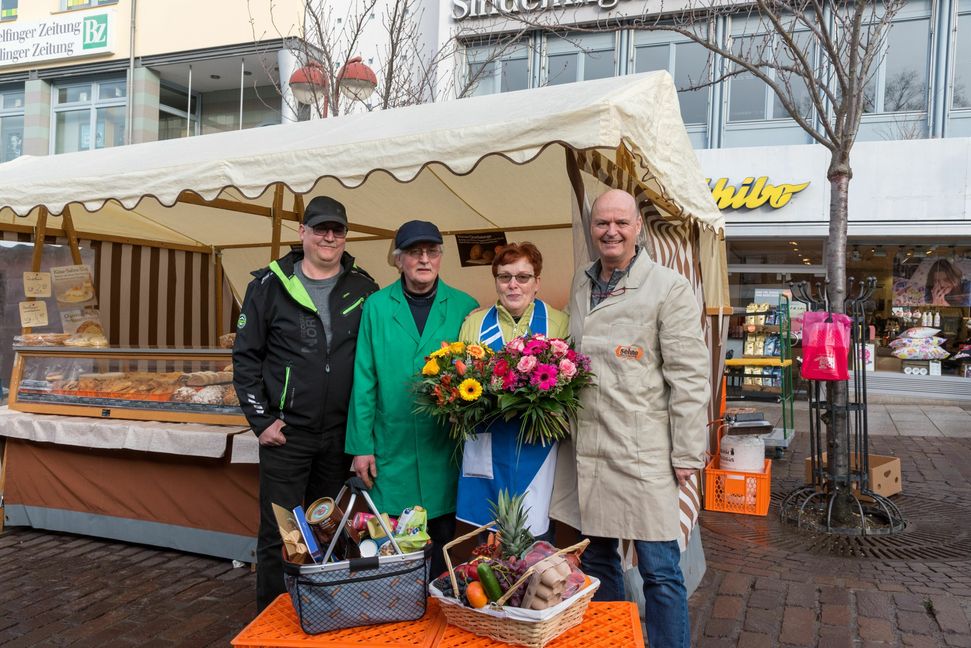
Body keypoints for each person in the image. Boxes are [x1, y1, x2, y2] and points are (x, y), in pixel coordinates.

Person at [549, 189, 709, 648]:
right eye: (602, 223)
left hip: (644, 451)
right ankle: (613, 640)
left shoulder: (668, 287)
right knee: (598, 559)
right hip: (589, 447)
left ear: (638, 227)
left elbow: (690, 377)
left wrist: (687, 453)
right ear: (592, 229)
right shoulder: (582, 284)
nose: (611, 231)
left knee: (659, 568)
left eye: (621, 222)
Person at [233, 196, 378, 612]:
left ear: (345, 236)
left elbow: (371, 361)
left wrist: (362, 431)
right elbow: (245, 358)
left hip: (337, 436)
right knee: (280, 534)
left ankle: (317, 610)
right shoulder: (268, 285)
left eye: (337, 230)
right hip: (287, 435)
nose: (329, 237)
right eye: (320, 229)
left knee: (327, 530)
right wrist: (261, 422)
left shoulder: (364, 287)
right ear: (303, 233)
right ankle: (273, 618)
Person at [346, 220, 478, 577]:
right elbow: (364, 378)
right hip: (392, 444)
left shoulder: (466, 307)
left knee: (442, 535)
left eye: (432, 252)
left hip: (444, 446)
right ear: (398, 259)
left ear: (440, 258)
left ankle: (438, 610)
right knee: (395, 539)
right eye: (414, 252)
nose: (424, 259)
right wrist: (361, 446)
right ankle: (400, 608)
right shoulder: (375, 307)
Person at [455, 242, 568, 542]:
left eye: (523, 277)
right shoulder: (473, 324)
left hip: (538, 444)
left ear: (537, 282)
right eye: (505, 277)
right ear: (496, 282)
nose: (513, 285)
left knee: (537, 536)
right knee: (486, 534)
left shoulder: (559, 322)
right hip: (488, 440)